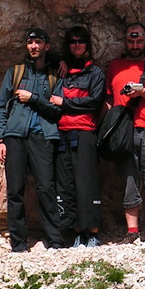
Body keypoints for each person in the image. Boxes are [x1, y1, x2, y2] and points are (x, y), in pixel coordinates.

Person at [0, 27, 65, 253]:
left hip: (42, 136)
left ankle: (54, 241)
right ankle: (18, 244)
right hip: (15, 136)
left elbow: (57, 111)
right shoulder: (15, 73)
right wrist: (0, 140)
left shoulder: (55, 76)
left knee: (46, 187)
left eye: (37, 43)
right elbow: (1, 108)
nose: (33, 46)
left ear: (47, 46)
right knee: (15, 189)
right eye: (30, 43)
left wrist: (33, 98)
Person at [106, 22, 145, 244]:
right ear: (125, 41)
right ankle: (132, 231)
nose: (135, 45)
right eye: (131, 41)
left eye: (139, 41)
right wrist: (109, 121)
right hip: (124, 130)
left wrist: (144, 92)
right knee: (129, 178)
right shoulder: (115, 66)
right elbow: (108, 97)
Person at [50, 25, 105, 247]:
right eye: (72, 41)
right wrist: (58, 60)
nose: (77, 45)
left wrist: (66, 103)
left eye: (81, 41)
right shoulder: (60, 72)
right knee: (66, 184)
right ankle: (76, 232)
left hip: (84, 133)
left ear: (87, 45)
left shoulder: (95, 72)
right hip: (62, 133)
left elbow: (95, 101)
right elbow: (40, 56)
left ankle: (92, 232)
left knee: (87, 182)